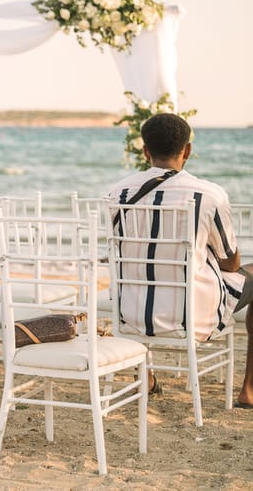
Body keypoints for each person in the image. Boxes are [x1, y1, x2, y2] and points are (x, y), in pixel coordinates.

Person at [107, 112, 253, 404]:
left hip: (131, 315)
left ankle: (145, 376)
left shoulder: (116, 193)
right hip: (192, 317)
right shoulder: (209, 195)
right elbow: (231, 264)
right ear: (187, 150)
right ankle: (249, 390)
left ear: (145, 150)